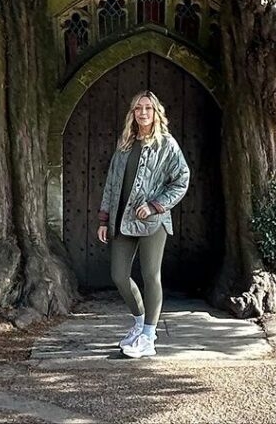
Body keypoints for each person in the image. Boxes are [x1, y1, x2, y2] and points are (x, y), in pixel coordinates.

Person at [97, 89, 190, 359]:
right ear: (133, 113)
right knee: (118, 275)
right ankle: (139, 323)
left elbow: (181, 179)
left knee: (151, 276)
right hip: (122, 220)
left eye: (148, 108)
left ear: (156, 111)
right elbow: (112, 184)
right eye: (138, 108)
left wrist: (155, 205)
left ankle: (149, 336)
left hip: (153, 221)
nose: (143, 113)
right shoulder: (125, 143)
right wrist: (104, 219)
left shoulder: (167, 144)